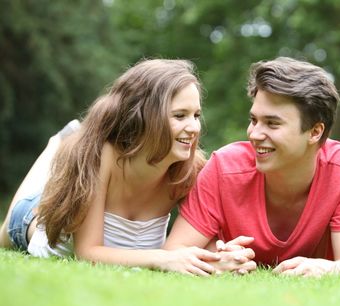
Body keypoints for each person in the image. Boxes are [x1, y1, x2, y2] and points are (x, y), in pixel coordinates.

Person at [0, 59, 255, 276]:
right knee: (9, 229)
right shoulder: (102, 156)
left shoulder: (189, 171)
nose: (194, 128)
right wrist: (162, 259)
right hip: (31, 221)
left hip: (74, 182)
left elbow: (198, 239)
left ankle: (66, 141)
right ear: (145, 115)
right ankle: (60, 142)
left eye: (196, 115)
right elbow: (87, 253)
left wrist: (221, 253)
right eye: (180, 116)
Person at [164, 57, 340, 277]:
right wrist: (215, 259)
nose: (255, 134)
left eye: (272, 123)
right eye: (254, 120)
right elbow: (174, 251)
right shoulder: (224, 167)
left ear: (315, 132)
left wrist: (326, 268)